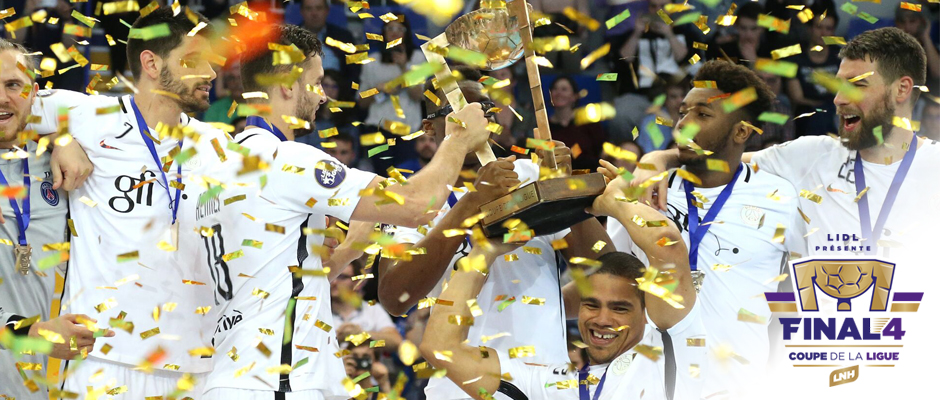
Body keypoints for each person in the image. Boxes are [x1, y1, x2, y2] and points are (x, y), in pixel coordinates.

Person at [189, 23, 495, 400]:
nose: (322, 96)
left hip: (229, 375)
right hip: (278, 381)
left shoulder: (214, 171)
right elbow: (418, 204)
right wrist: (458, 139)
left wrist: (348, 251)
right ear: (287, 85)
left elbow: (277, 277)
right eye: (316, 82)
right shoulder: (287, 159)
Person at [633, 28, 940, 398]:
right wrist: (657, 159)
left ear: (902, 89)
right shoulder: (809, 157)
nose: (839, 99)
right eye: (838, 85)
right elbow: (719, 157)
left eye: (857, 85)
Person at [378, 67, 614, 400]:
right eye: (461, 112)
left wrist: (563, 191)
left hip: (547, 381)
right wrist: (470, 203)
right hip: (462, 385)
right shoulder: (411, 197)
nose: (478, 121)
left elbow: (606, 270)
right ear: (429, 127)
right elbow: (395, 297)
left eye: (485, 110)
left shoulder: (529, 176)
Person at [605, 60, 808, 398]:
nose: (683, 124)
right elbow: (609, 273)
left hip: (737, 387)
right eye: (682, 112)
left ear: (741, 132)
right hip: (644, 385)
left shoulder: (781, 198)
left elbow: (800, 298)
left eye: (702, 114)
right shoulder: (643, 188)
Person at [418, 173, 705, 400]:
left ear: (646, 313)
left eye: (620, 308)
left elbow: (668, 247)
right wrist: (484, 252)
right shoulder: (555, 384)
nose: (602, 319)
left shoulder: (669, 351)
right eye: (591, 304)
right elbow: (441, 348)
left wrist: (615, 203)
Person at [60, 6, 225, 398]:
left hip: (194, 367)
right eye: (194, 61)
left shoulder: (220, 146)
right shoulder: (89, 117)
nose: (211, 74)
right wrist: (59, 139)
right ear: (151, 63)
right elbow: (15, 108)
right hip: (102, 360)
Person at [0, 39, 113, 400]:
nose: (1, 98)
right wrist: (34, 336)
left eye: (12, 85)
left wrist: (63, 138)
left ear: (34, 94)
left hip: (48, 386)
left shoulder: (60, 161)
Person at [615, 0, 693, 92]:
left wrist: (669, 34)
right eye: (653, 6)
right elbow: (624, 59)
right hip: (643, 90)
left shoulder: (684, 32)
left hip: (676, 88)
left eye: (663, 6)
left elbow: (685, 59)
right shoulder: (635, 33)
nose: (658, 10)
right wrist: (636, 33)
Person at [786, 13, 840, 137]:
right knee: (818, 114)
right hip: (806, 112)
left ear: (833, 32)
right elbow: (797, 97)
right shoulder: (795, 57)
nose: (823, 33)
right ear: (809, 29)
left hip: (836, 109)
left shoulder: (841, 56)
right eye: (819, 27)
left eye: (828, 28)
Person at [331, 261, 403, 351]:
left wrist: (363, 335)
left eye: (342, 277)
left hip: (366, 359)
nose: (334, 282)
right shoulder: (319, 312)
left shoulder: (373, 310)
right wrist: (337, 339)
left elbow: (396, 341)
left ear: (357, 283)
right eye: (332, 276)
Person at [548, 76, 607, 171]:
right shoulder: (544, 126)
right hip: (557, 175)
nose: (558, 93)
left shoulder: (589, 122)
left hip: (591, 173)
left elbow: (602, 150)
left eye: (564, 89)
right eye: (555, 89)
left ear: (574, 96)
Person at [300, 0, 359, 80]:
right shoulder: (290, 39)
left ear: (327, 11)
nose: (314, 13)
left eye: (319, 8)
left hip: (336, 86)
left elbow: (354, 73)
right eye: (308, 9)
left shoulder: (344, 37)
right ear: (302, 12)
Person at [705, 2, 769, 67]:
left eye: (754, 29)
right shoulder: (724, 50)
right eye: (743, 28)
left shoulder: (770, 50)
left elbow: (773, 73)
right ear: (736, 26)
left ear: (762, 28)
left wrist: (754, 61)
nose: (748, 34)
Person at [636, 75, 686, 153]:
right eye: (673, 97)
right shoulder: (652, 123)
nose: (680, 101)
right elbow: (652, 152)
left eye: (683, 95)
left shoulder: (692, 119)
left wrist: (672, 124)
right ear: (665, 100)